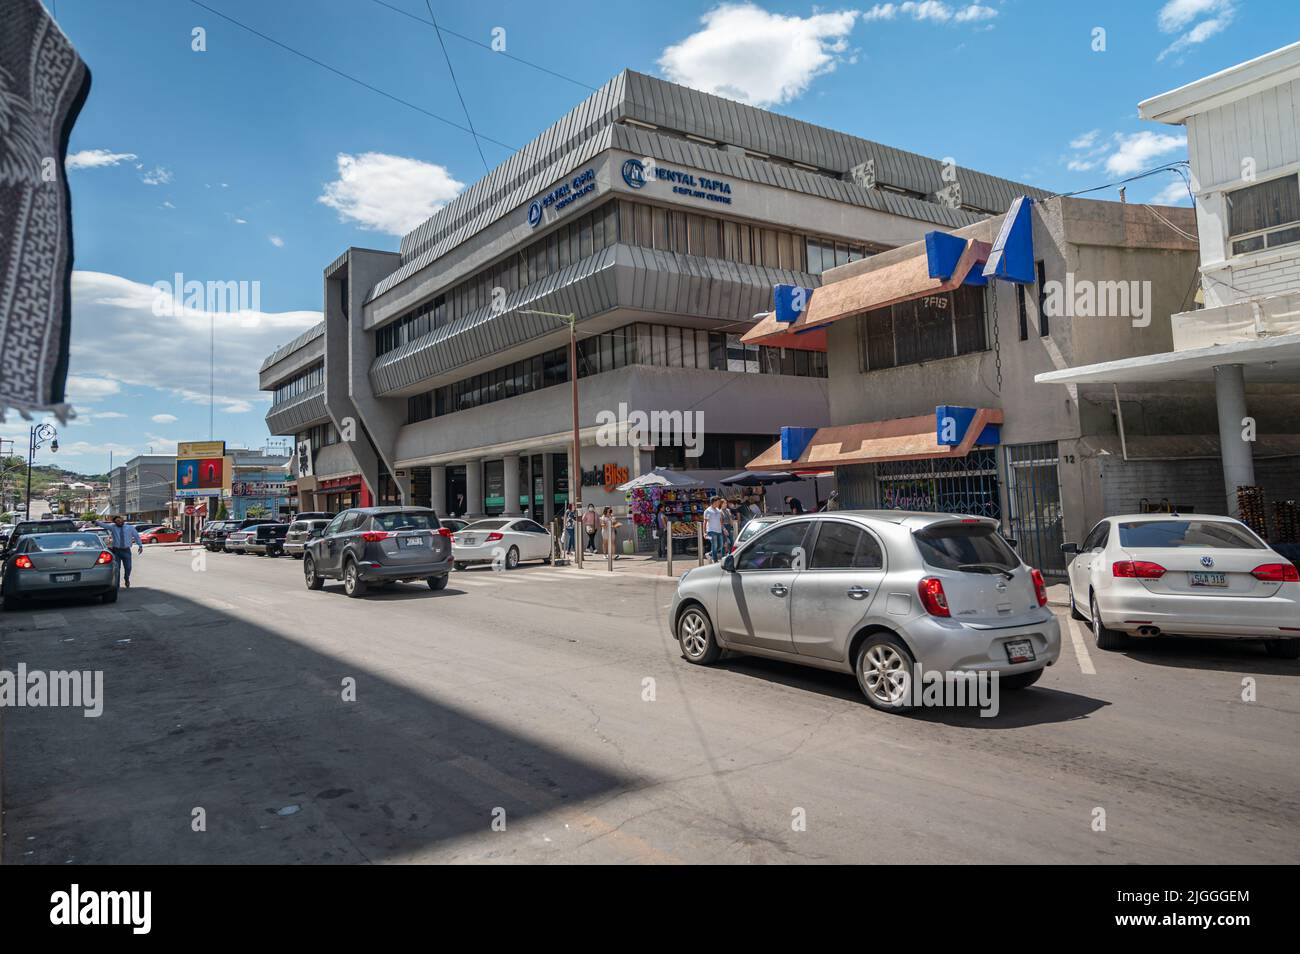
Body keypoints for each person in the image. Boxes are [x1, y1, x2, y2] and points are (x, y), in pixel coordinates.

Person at [97, 514, 144, 588]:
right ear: (115, 523)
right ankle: (117, 585)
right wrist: (96, 522)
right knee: (117, 569)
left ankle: (126, 578)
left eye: (119, 520)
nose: (118, 522)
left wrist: (140, 545)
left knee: (128, 567)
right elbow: (104, 525)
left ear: (122, 520)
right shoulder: (113, 527)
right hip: (116, 551)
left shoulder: (130, 528)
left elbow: (136, 536)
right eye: (116, 522)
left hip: (126, 551)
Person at [705, 497, 727, 563]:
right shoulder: (708, 511)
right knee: (715, 546)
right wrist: (704, 532)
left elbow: (720, 521)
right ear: (714, 502)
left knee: (720, 546)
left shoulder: (718, 510)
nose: (719, 503)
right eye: (718, 502)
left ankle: (709, 554)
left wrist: (724, 529)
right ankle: (715, 560)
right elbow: (705, 522)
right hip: (711, 531)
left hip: (719, 530)